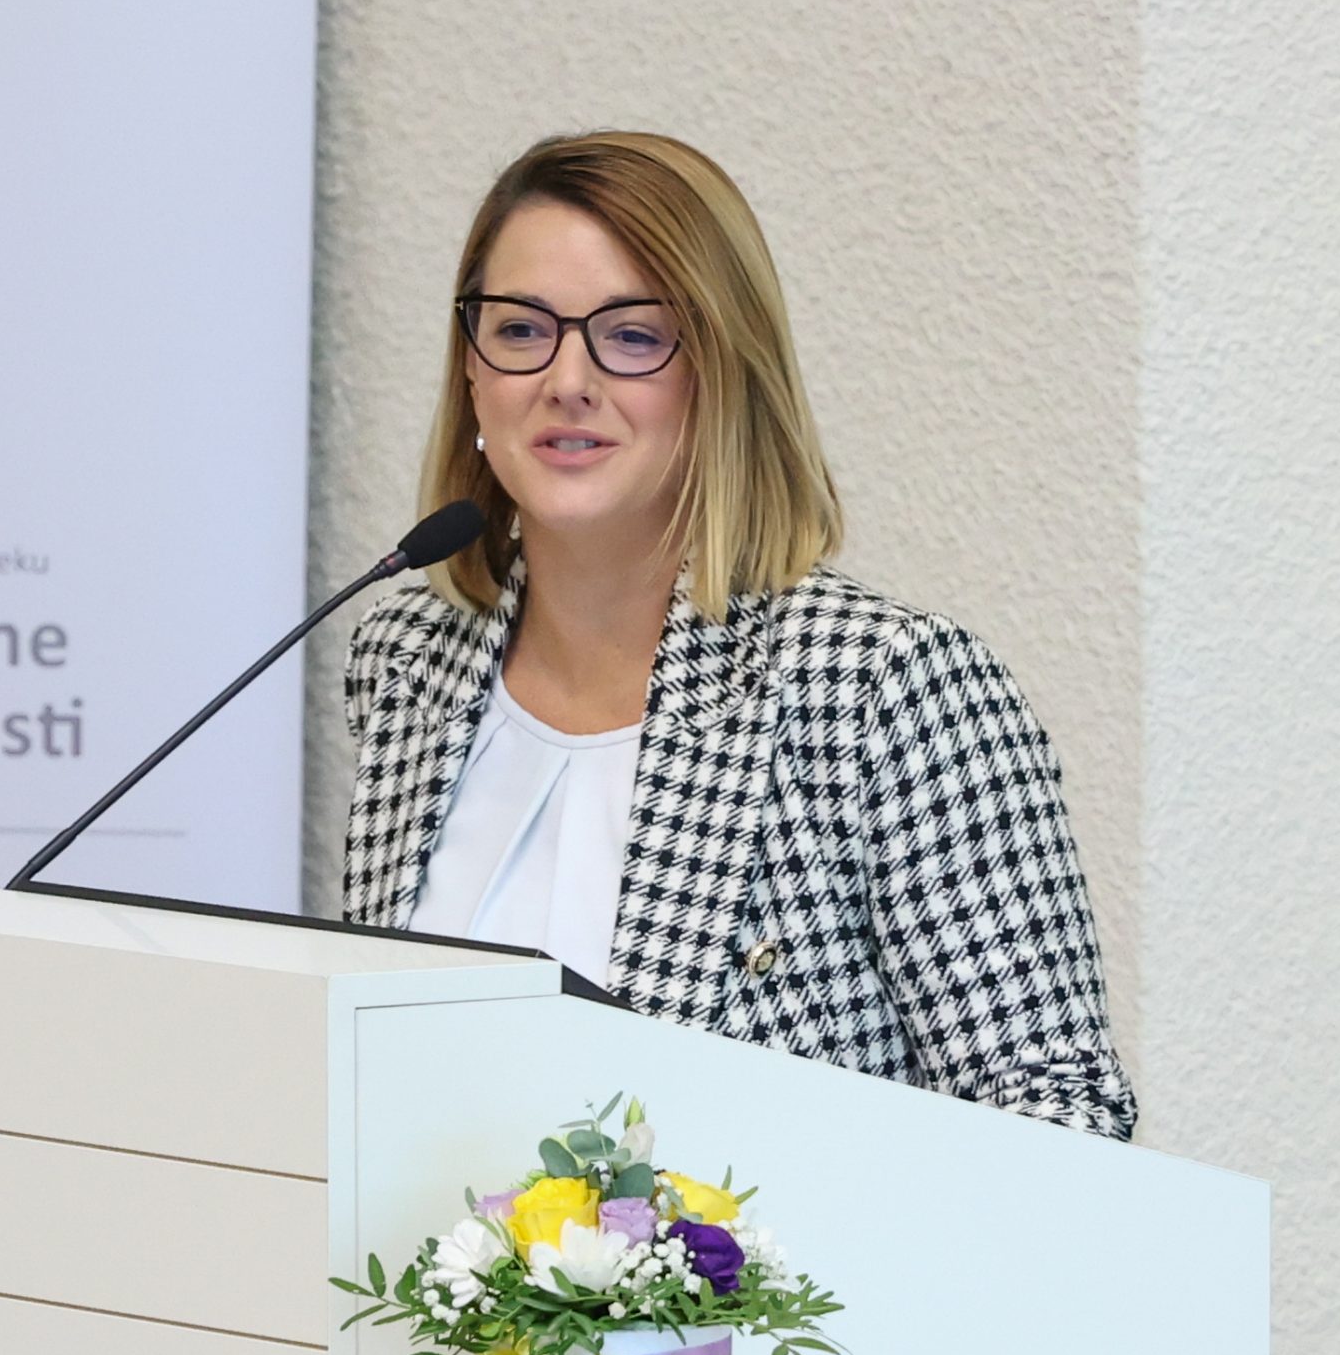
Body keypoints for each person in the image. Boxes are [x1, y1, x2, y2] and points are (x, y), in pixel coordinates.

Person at [341, 130, 1136, 1140]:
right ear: (470, 367)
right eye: (521, 329)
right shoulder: (408, 662)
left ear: (722, 369)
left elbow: (1063, 1116)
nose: (567, 378)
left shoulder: (883, 690)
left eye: (632, 336)